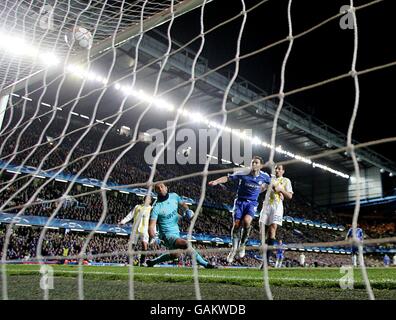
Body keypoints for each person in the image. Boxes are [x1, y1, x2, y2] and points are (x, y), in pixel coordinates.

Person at [208, 156, 271, 264]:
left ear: (260, 165)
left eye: (256, 162)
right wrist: (216, 181)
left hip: (252, 203)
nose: (254, 164)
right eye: (252, 162)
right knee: (236, 224)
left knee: (246, 221)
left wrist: (276, 191)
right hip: (240, 202)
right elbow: (228, 177)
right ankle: (234, 249)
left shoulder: (265, 176)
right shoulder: (243, 172)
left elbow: (272, 184)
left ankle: (242, 244)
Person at [145, 183, 216, 269]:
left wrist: (187, 210)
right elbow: (151, 226)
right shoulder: (156, 207)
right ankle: (205, 264)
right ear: (155, 191)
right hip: (166, 235)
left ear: (166, 188)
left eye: (161, 187)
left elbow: (183, 204)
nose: (160, 189)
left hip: (176, 232)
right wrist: (154, 237)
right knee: (186, 244)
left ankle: (152, 262)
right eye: (157, 188)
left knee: (175, 255)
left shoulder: (174, 196)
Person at [260, 164, 293, 263]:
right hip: (266, 206)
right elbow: (260, 189)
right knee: (262, 231)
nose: (277, 170)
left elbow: (290, 196)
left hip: (277, 206)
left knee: (272, 230)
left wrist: (281, 190)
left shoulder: (286, 181)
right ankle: (264, 251)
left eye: (279, 169)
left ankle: (265, 261)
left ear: (283, 171)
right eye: (275, 169)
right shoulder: (269, 179)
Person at [119, 195, 152, 266]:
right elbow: (130, 215)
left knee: (144, 245)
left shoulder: (151, 209)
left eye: (149, 199)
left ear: (150, 201)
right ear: (144, 200)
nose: (148, 200)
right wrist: (123, 221)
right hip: (135, 229)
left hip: (144, 230)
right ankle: (128, 262)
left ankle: (143, 262)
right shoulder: (137, 207)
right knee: (132, 246)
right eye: (146, 199)